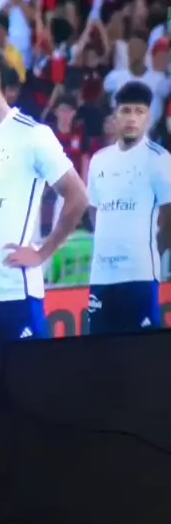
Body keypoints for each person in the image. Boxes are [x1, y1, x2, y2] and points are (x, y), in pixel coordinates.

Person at [0, 43, 88, 344]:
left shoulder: (33, 135)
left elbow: (78, 196)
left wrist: (42, 252)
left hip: (15, 292)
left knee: (28, 375)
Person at [87, 81, 171, 335]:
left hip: (139, 275)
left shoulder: (159, 159)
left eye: (139, 111)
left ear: (148, 118)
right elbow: (94, 209)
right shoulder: (99, 160)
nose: (132, 118)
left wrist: (151, 253)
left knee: (142, 350)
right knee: (98, 350)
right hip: (101, 276)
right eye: (126, 111)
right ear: (115, 116)